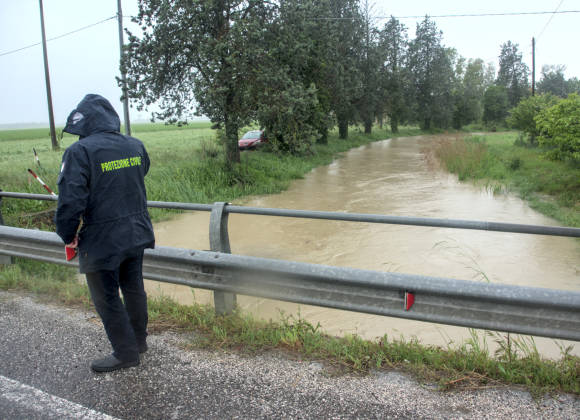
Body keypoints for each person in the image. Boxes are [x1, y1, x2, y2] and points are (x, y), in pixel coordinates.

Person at [55, 94, 155, 373]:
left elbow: (71, 199)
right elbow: (141, 172)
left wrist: (67, 233)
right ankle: (138, 342)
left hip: (102, 237)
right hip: (137, 231)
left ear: (83, 121)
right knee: (134, 288)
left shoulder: (80, 152)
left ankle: (126, 353)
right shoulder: (135, 145)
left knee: (106, 296)